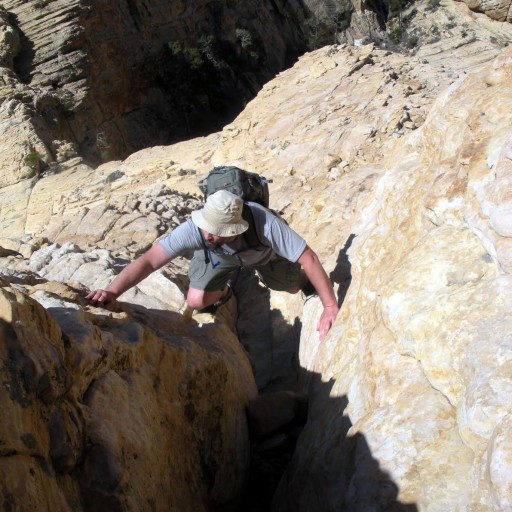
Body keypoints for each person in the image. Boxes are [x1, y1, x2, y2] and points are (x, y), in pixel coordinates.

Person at [85, 190, 339, 340]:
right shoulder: (199, 230)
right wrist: (112, 291)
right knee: (196, 301)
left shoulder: (266, 224)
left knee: (291, 287)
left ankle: (301, 282)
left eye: (217, 232)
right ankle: (225, 291)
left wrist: (329, 305)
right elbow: (150, 260)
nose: (208, 236)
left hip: (264, 256)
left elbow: (309, 257)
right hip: (222, 259)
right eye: (207, 229)